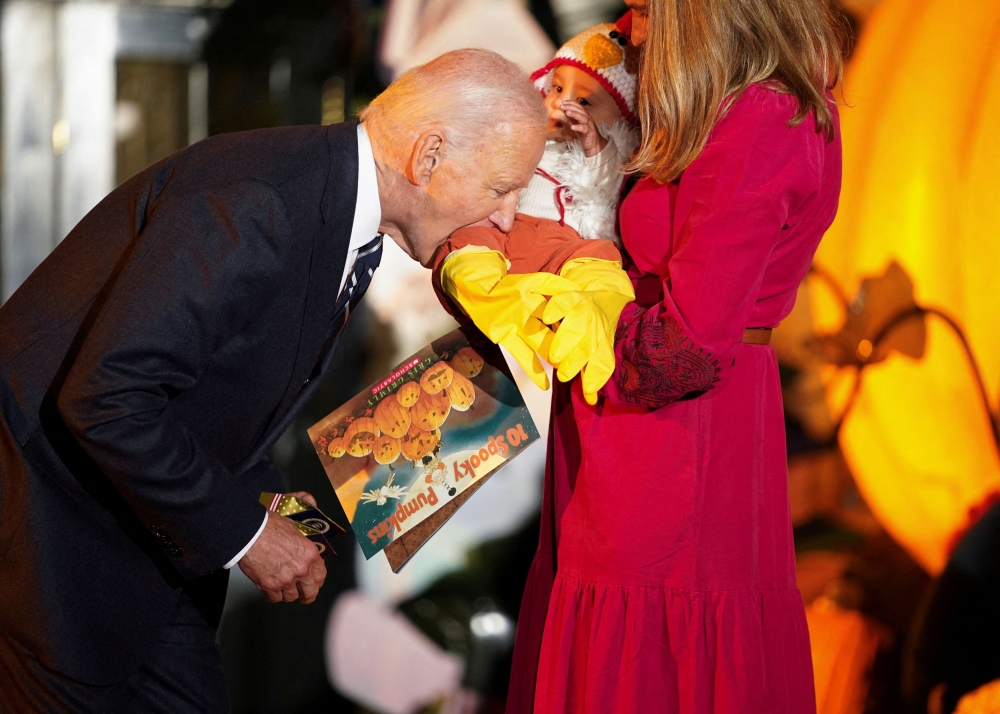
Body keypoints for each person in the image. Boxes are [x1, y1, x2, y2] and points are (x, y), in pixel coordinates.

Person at [0, 49, 545, 713]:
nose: (510, 218)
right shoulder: (261, 200)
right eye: (501, 189)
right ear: (427, 157)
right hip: (50, 543)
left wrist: (287, 518)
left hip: (147, 547)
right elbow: (108, 399)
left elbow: (219, 397)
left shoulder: (332, 201)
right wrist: (249, 536)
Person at [505, 1, 849, 711]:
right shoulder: (716, 107)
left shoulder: (759, 118)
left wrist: (553, 287)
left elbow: (681, 352)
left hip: (673, 443)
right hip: (625, 426)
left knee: (652, 667)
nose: (627, 28)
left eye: (644, 8)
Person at [430, 21, 640, 405]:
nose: (563, 103)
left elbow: (604, 193)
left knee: (600, 260)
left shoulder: (611, 157)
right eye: (558, 88)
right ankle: (485, 286)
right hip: (509, 233)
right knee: (469, 240)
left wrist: (594, 146)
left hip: (564, 249)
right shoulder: (528, 137)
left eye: (586, 101)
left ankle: (593, 313)